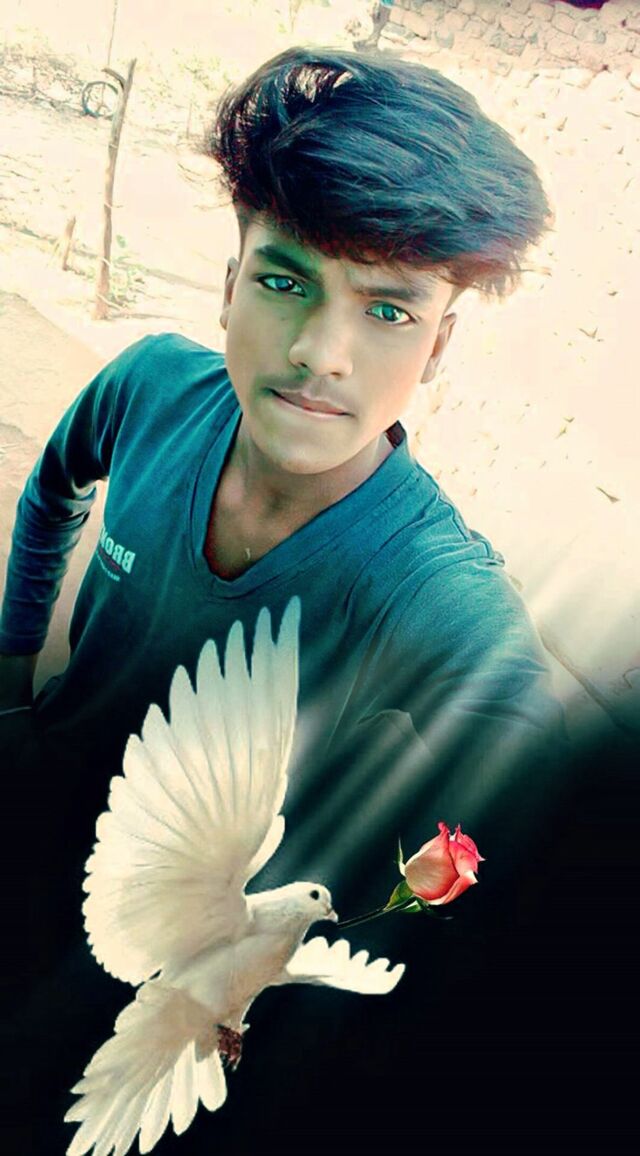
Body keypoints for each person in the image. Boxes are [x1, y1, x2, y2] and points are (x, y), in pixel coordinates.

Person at [2, 47, 568, 1153]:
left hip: (157, 980)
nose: (320, 353)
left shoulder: (429, 585)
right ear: (229, 285)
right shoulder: (150, 388)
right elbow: (52, 488)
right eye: (283, 281)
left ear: (439, 344)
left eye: (389, 310)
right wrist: (13, 673)